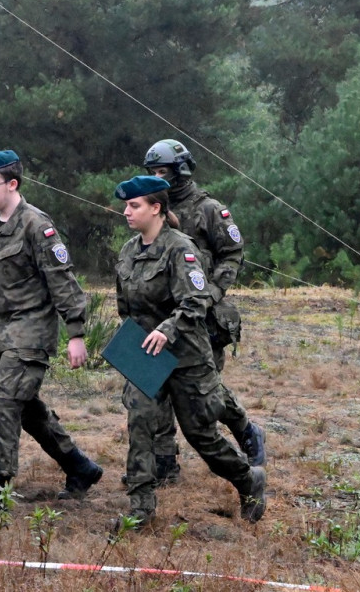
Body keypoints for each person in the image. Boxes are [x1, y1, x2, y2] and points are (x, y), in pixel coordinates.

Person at [112, 175, 266, 529]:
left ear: (156, 208)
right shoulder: (128, 251)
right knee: (140, 423)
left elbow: (196, 301)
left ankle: (248, 480)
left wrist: (167, 329)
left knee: (201, 435)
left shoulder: (180, 249)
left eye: (134, 206)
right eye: (126, 206)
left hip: (187, 355)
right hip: (147, 354)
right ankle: (141, 509)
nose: (126, 212)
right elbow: (125, 306)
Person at [0, 151, 103, 519]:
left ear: (12, 184)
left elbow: (63, 281)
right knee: (28, 411)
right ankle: (80, 467)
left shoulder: (37, 226)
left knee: (4, 404)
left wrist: (76, 334)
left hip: (31, 333)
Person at [140, 139, 265, 486]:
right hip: (161, 315)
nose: (156, 178)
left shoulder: (208, 209)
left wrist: (210, 293)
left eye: (161, 171)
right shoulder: (153, 207)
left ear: (180, 170)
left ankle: (246, 431)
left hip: (200, 314)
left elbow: (232, 254)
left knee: (203, 392)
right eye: (151, 172)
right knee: (155, 386)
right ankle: (164, 461)